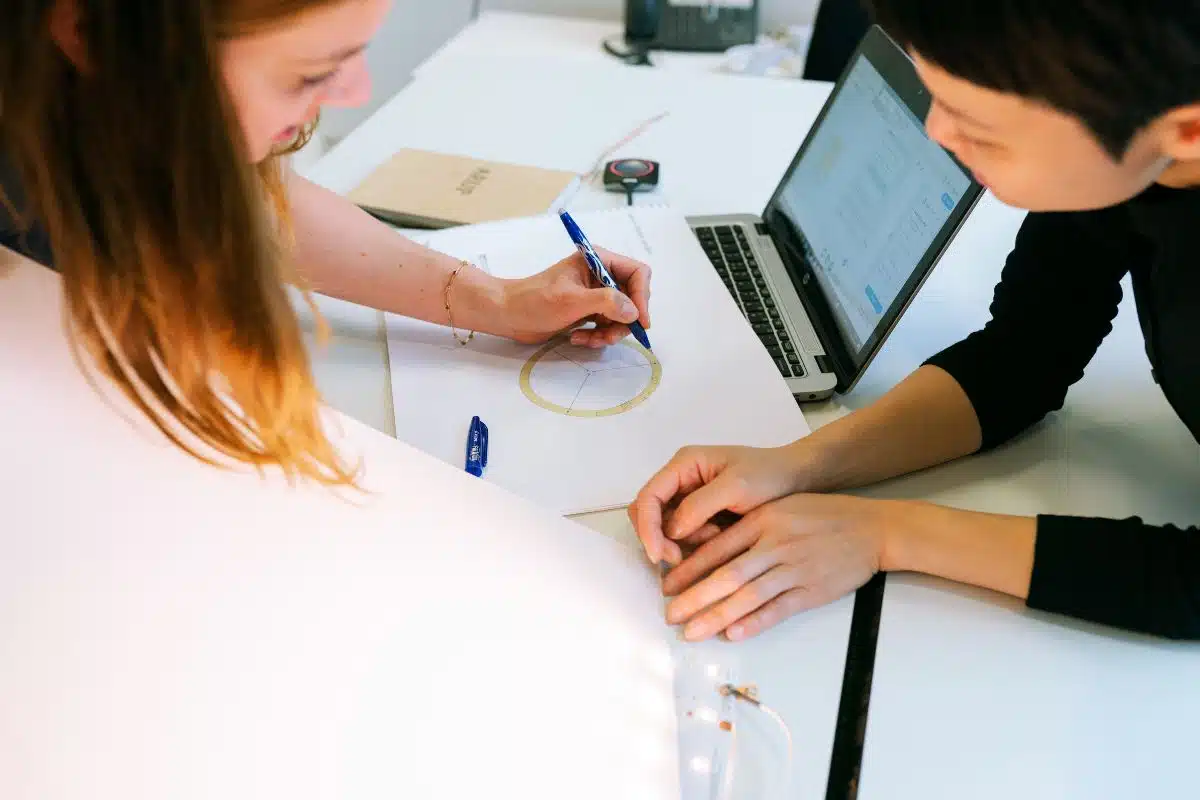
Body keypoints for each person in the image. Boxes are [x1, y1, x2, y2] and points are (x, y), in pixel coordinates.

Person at [630, 0, 1200, 642]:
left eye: (980, 127)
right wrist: (791, 466)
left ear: (1186, 130)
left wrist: (885, 533)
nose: (937, 134)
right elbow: (1025, 358)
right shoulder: (1118, 153)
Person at [0, 0, 651, 486]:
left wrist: (494, 300)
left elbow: (251, 200)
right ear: (94, 35)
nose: (357, 92)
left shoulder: (111, 108)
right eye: (311, 72)